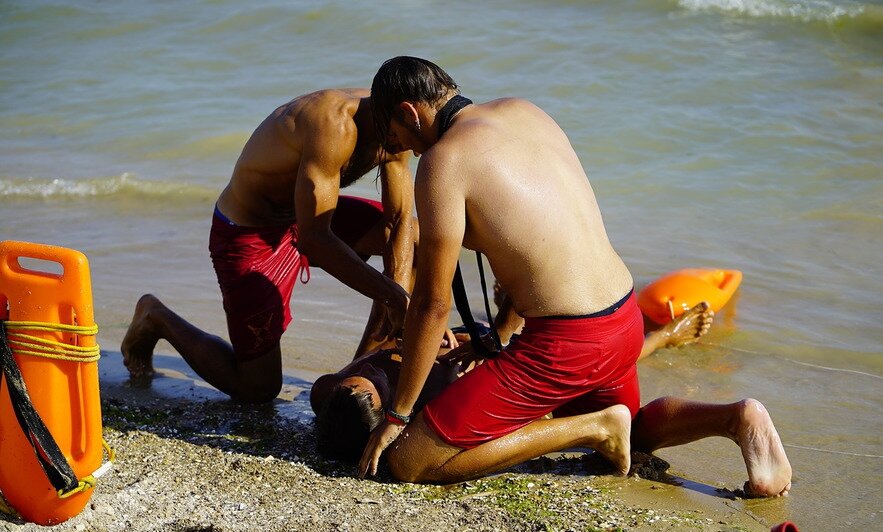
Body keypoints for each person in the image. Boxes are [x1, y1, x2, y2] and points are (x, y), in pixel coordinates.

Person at [358, 56, 791, 498]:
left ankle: (594, 429)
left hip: (567, 341)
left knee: (411, 461)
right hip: (623, 315)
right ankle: (735, 417)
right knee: (636, 433)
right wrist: (499, 339)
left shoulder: (443, 162)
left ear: (410, 112)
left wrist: (398, 416)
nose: (409, 151)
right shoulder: (524, 111)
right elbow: (538, 238)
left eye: (398, 137)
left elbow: (433, 304)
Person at [121, 89, 415, 403]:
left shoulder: (397, 129)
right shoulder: (334, 125)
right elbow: (315, 240)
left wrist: (399, 298)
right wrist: (393, 297)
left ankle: (353, 377)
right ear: (406, 112)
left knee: (414, 239)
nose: (423, 150)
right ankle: (155, 317)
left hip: (306, 216)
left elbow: (398, 221)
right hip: (250, 232)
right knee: (258, 388)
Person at [312, 303, 712, 461]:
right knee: (586, 366)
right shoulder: (420, 407)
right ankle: (661, 338)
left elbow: (382, 345)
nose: (358, 380)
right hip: (499, 362)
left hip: (470, 337)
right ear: (384, 415)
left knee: (585, 356)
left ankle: (513, 307)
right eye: (367, 390)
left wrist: (417, 337)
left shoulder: (327, 392)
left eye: (352, 384)